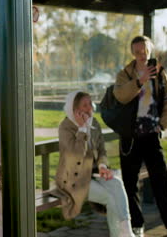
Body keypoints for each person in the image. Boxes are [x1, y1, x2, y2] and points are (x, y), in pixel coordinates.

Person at [113, 35, 167, 237]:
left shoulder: (160, 75)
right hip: (130, 137)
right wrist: (139, 81)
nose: (141, 55)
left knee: (162, 181)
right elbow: (121, 96)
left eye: (145, 51)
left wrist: (163, 124)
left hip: (152, 134)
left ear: (150, 51)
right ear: (133, 53)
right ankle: (136, 225)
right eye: (137, 52)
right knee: (130, 183)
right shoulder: (125, 74)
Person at [55, 91, 135, 237]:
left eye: (90, 103)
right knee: (110, 199)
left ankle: (127, 231)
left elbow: (102, 151)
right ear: (75, 109)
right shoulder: (65, 127)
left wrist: (102, 166)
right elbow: (75, 156)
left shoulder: (95, 123)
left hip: (93, 174)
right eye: (84, 105)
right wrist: (82, 129)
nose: (89, 108)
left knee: (116, 184)